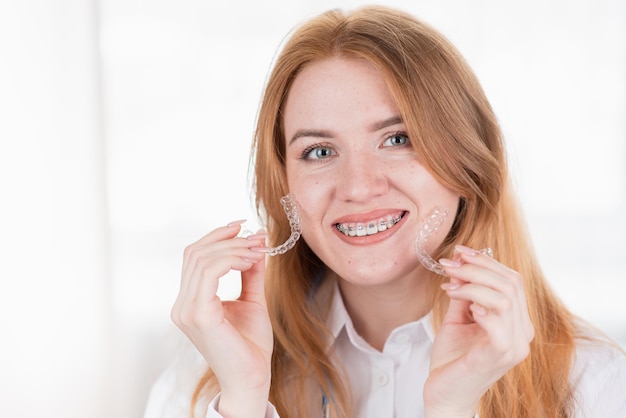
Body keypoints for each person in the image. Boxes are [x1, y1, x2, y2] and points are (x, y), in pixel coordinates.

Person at [144, 5, 626, 418]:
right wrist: (245, 398)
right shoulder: (200, 387)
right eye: (318, 151)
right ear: (283, 184)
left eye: (398, 139)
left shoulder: (595, 386)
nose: (358, 187)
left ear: (468, 161)